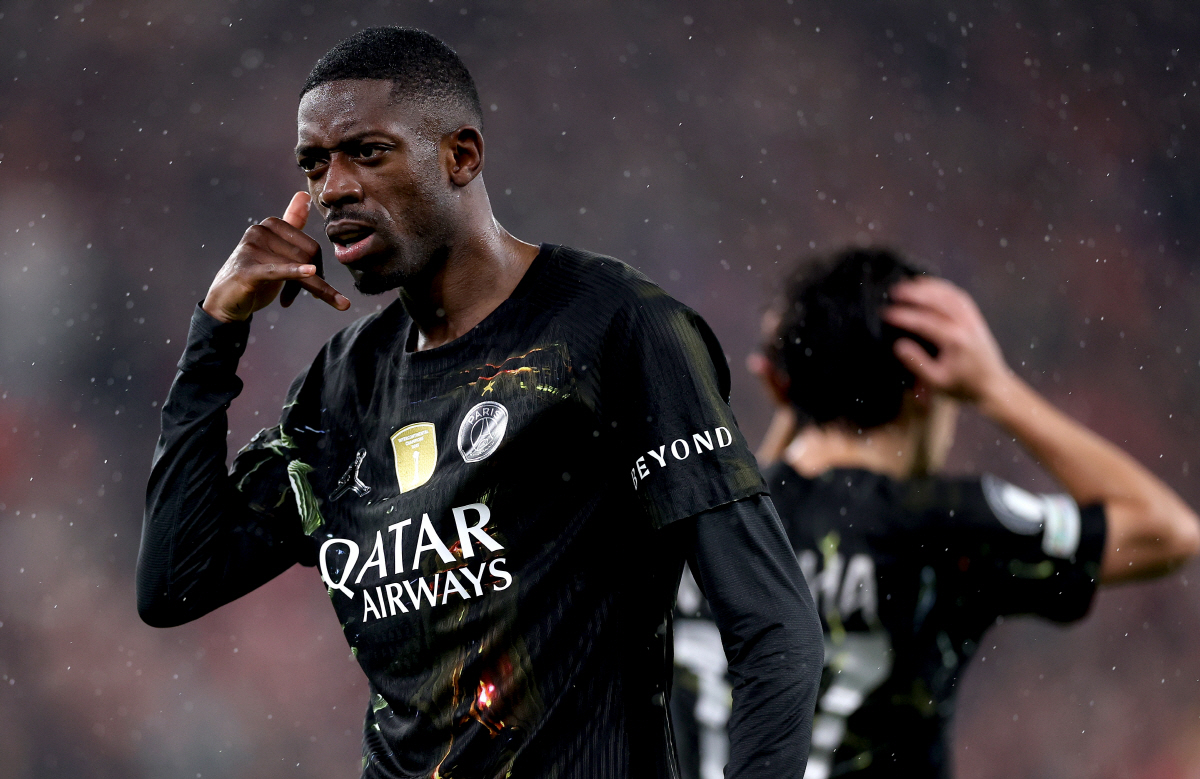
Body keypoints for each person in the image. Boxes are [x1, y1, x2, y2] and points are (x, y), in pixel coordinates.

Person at [137, 26, 822, 779]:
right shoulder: (346, 380)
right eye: (314, 164)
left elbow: (774, 629)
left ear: (460, 156)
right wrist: (218, 327)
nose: (332, 188)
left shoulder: (613, 328)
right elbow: (177, 579)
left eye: (366, 152)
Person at [671, 247, 1200, 779]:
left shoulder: (696, 523)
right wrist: (997, 389)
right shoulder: (939, 525)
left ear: (785, 383)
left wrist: (798, 404)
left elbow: (762, 521)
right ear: (925, 382)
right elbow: (1167, 533)